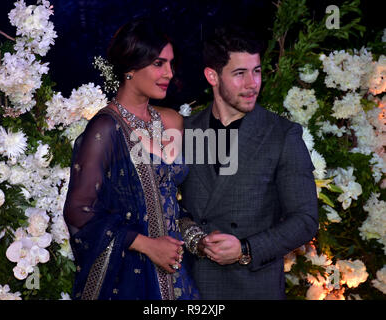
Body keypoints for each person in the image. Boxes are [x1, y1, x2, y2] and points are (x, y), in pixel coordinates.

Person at [63, 19, 199, 300]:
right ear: (130, 68)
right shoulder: (106, 128)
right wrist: (147, 245)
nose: (169, 73)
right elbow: (78, 210)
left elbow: (168, 201)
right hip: (130, 276)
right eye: (159, 64)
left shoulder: (171, 121)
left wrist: (197, 236)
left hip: (176, 273)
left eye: (171, 64)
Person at [179, 24, 319, 299]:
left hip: (255, 288)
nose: (252, 84)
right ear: (212, 76)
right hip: (194, 286)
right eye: (240, 73)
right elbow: (167, 203)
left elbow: (305, 220)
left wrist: (246, 249)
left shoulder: (282, 135)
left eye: (256, 71)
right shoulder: (186, 130)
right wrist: (193, 236)